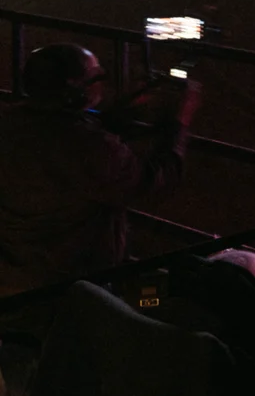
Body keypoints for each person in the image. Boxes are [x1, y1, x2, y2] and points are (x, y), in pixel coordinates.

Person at [0, 43, 199, 295]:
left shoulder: (9, 121)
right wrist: (179, 123)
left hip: (14, 273)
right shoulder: (88, 146)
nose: (102, 83)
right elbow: (152, 183)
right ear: (76, 89)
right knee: (151, 299)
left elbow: (61, 134)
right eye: (96, 77)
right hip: (69, 285)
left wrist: (126, 109)